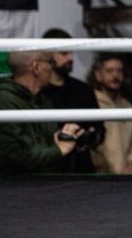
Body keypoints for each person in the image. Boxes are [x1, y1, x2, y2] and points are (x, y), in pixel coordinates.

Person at [0, 51, 84, 174]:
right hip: (13, 188)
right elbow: (15, 159)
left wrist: (64, 138)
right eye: (50, 63)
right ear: (36, 67)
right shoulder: (3, 103)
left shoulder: (41, 98)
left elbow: (46, 145)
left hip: (43, 184)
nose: (52, 68)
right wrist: (59, 149)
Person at [42, 28, 105, 173]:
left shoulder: (83, 90)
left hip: (82, 167)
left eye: (72, 52)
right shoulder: (38, 92)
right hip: (50, 169)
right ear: (47, 54)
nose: (70, 58)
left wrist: (90, 137)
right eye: (64, 53)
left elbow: (100, 127)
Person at [89, 54, 132, 175]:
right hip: (98, 176)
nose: (115, 75)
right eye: (109, 71)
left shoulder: (127, 106)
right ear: (98, 75)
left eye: (119, 71)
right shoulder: (91, 102)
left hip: (125, 177)